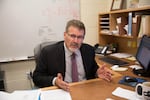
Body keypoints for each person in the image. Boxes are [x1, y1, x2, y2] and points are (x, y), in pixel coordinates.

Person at [33, 19, 112, 91]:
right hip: (62, 90)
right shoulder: (48, 52)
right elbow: (37, 77)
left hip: (85, 90)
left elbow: (93, 69)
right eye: (72, 36)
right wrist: (55, 81)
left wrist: (97, 73)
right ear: (65, 35)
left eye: (80, 37)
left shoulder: (89, 50)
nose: (75, 41)